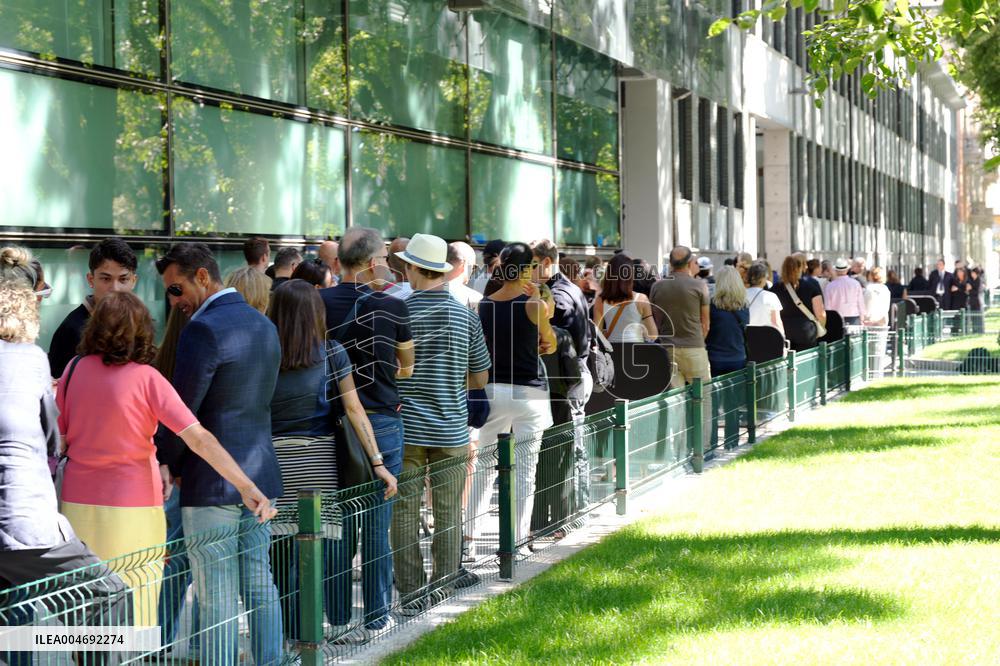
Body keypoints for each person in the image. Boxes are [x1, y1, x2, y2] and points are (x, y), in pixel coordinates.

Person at [57, 292, 276, 628]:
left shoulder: (72, 371)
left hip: (76, 504)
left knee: (83, 605)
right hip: (134, 506)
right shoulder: (148, 379)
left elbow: (60, 437)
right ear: (143, 331)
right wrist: (245, 485)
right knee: (135, 602)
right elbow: (198, 438)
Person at [154, 242, 285, 666]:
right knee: (259, 581)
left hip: (211, 481)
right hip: (260, 471)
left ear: (203, 277)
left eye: (176, 289)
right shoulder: (263, 324)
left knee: (216, 591)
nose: (174, 302)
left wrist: (168, 463)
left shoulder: (202, 328)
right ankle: (271, 660)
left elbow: (183, 411)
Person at [0, 281, 132, 666]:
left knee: (16, 612)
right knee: (109, 595)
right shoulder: (31, 358)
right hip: (24, 518)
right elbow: (52, 439)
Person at [266, 280, 396, 641]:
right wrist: (378, 462)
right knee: (318, 554)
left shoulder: (264, 353)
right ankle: (318, 631)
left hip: (275, 464)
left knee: (279, 557)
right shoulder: (333, 352)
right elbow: (354, 410)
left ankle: (288, 633)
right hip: (319, 465)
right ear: (315, 314)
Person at [390, 234, 491, 613]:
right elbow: (481, 377)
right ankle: (443, 587)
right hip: (451, 428)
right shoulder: (465, 314)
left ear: (417, 269)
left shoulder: (397, 313)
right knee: (449, 513)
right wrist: (451, 378)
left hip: (409, 429)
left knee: (404, 512)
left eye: (407, 266)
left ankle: (412, 594)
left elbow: (390, 371)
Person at [319, 227, 412, 633]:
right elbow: (407, 366)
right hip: (382, 419)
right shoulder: (393, 307)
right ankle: (376, 616)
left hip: (330, 423)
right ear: (374, 262)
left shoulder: (316, 303)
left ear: (339, 261)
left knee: (338, 522)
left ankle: (337, 619)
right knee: (378, 520)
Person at [469, 243, 556, 550]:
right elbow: (551, 342)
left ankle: (470, 538)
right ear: (528, 269)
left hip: (493, 389)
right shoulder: (534, 304)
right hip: (528, 393)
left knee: (483, 466)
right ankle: (516, 542)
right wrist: (541, 301)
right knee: (524, 471)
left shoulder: (485, 304)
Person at [530, 239, 595, 534]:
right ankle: (556, 519)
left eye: (531, 265)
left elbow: (559, 347)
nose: (526, 273)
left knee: (555, 457)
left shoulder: (558, 296)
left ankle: (556, 521)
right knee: (561, 455)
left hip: (560, 385)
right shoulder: (570, 288)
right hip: (567, 380)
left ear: (544, 263)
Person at [48, 238, 138, 378]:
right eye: (106, 279)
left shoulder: (140, 324)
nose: (115, 288)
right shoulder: (71, 329)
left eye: (123, 279)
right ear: (91, 280)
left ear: (133, 281)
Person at [650, 246, 711, 389]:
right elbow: (706, 323)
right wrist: (698, 340)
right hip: (694, 346)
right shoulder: (700, 286)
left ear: (670, 263)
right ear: (689, 263)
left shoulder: (657, 287)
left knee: (675, 401)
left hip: (668, 349)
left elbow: (657, 322)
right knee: (704, 396)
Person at [705, 267, 748, 450]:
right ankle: (732, 442)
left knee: (713, 405)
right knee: (733, 404)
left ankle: (712, 442)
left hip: (714, 358)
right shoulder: (743, 306)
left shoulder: (711, 306)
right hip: (737, 357)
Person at [592, 253, 657, 343]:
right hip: (637, 353)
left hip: (612, 353)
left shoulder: (600, 300)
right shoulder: (641, 299)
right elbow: (653, 335)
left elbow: (597, 334)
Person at [774, 255, 826, 351]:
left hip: (783, 332)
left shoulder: (774, 288)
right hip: (806, 331)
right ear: (800, 268)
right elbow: (820, 314)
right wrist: (821, 327)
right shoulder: (811, 285)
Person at [823, 258, 866, 326]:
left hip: (836, 317)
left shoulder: (830, 286)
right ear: (846, 270)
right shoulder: (856, 284)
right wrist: (862, 317)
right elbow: (860, 302)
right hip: (853, 316)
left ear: (836, 270)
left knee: (838, 336)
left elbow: (827, 306)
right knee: (853, 337)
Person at [745, 261, 784, 335]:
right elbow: (776, 322)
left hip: (746, 337)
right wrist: (783, 338)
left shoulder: (741, 295)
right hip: (766, 337)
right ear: (763, 278)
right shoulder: (771, 296)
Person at [446, 241, 482, 311]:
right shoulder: (475, 299)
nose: (473, 271)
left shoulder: (425, 292)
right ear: (463, 265)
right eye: (473, 267)